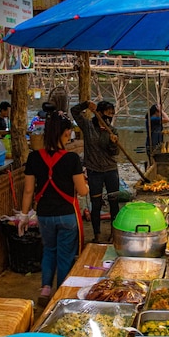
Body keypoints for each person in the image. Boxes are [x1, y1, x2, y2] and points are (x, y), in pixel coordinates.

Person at [18, 110, 88, 305]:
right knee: (65, 255)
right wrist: (87, 185)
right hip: (66, 215)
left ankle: (45, 288)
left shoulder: (34, 158)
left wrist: (24, 216)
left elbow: (28, 191)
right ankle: (61, 293)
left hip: (44, 215)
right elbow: (82, 191)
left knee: (49, 250)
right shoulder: (72, 159)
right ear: (66, 133)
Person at [71, 99, 120, 243]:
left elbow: (115, 152)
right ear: (98, 113)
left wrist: (112, 143)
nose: (109, 116)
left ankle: (113, 233)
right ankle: (97, 234)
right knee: (96, 204)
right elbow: (74, 112)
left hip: (111, 170)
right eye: (107, 113)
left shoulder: (113, 130)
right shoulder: (88, 126)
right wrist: (85, 104)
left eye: (112, 114)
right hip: (94, 171)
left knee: (114, 203)